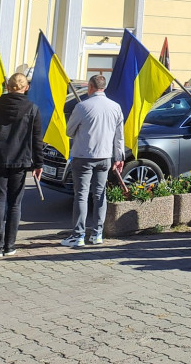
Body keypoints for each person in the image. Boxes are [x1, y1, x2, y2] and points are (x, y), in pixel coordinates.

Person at [0, 73, 43, 258]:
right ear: (26, 87)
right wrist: (39, 163)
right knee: (15, 203)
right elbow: (36, 138)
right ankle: (10, 245)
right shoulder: (32, 108)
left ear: (7, 86)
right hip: (21, 160)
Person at [61, 74, 125, 249]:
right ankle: (97, 234)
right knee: (100, 195)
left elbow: (69, 131)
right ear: (103, 87)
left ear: (90, 86)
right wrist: (119, 158)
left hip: (83, 156)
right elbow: (119, 136)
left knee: (81, 195)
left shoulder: (82, 106)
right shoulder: (115, 107)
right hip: (105, 156)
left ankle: (78, 235)